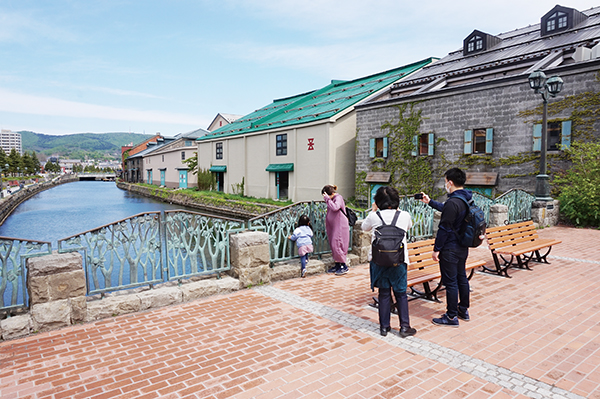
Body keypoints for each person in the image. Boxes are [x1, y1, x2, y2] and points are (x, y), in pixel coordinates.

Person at [419, 167, 471, 327]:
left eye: (445, 182)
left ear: (450, 182)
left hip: (450, 248)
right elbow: (450, 211)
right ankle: (463, 310)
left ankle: (451, 316)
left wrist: (437, 249)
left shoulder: (453, 202)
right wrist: (430, 202)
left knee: (451, 282)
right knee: (462, 277)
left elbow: (444, 228)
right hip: (463, 246)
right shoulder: (466, 198)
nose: (445, 185)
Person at [362, 186, 416, 338]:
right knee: (401, 294)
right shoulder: (404, 215)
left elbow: (364, 227)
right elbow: (409, 227)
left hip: (378, 261)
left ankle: (384, 327)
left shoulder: (374, 216)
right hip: (399, 261)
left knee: (384, 293)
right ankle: (405, 327)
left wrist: (374, 211)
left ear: (377, 202)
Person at [321, 184, 350, 276]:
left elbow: (335, 207)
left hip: (340, 225)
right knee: (334, 245)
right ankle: (337, 264)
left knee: (337, 243)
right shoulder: (332, 199)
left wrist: (327, 199)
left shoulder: (338, 198)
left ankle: (343, 266)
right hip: (334, 225)